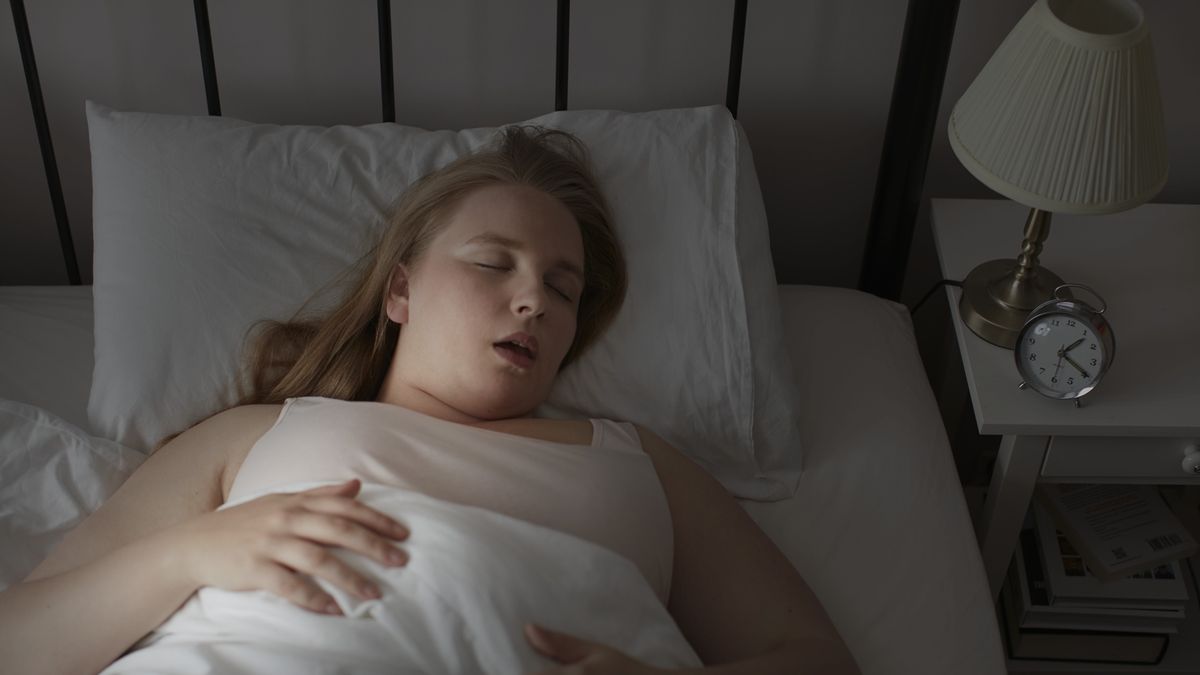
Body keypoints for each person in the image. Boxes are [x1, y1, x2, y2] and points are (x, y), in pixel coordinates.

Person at [0, 126, 860, 675]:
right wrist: (189, 553)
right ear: (400, 292)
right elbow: (19, 642)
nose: (534, 301)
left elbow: (817, 659)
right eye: (495, 263)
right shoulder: (257, 433)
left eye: (564, 289)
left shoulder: (641, 463)